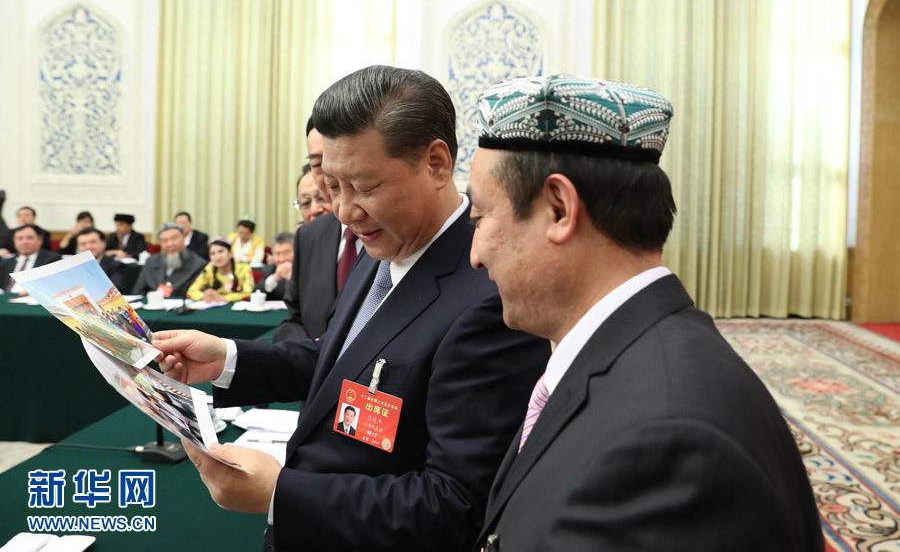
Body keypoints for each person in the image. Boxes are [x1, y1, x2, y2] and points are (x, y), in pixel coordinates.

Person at [152, 65, 549, 552]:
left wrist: (281, 494)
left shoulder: (489, 296)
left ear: (436, 163)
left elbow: (456, 504)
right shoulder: (382, 243)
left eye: (364, 186)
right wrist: (229, 359)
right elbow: (347, 362)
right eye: (332, 187)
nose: (343, 212)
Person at [466, 75, 824, 552]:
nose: (475, 255)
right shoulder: (627, 353)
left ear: (559, 209)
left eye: (480, 218)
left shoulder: (668, 443)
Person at [273, 119, 360, 342]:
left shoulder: (392, 231)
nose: (331, 174)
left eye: (337, 159)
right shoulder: (308, 236)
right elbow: (293, 321)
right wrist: (313, 351)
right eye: (318, 164)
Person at [134, 223, 206, 296]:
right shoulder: (151, 261)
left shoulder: (198, 264)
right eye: (165, 241)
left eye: (174, 239)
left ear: (184, 238)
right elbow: (138, 291)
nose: (170, 244)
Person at [187, 238, 253, 303]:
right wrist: (204, 296)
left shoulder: (243, 268)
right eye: (213, 254)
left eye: (221, 251)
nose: (217, 257)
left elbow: (249, 293)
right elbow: (191, 291)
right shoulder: (209, 269)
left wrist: (224, 298)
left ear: (230, 253)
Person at [0, 225, 62, 293]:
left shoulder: (52, 260)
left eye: (30, 238)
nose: (25, 242)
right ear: (14, 241)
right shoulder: (7, 261)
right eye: (20, 238)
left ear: (40, 239)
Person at [76, 227, 127, 293]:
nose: (88, 247)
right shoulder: (74, 267)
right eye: (83, 244)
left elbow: (117, 288)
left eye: (93, 242)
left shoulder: (116, 266)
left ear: (103, 243)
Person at [255, 232, 294, 301]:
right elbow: (255, 294)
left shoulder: (308, 269)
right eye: (278, 254)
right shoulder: (270, 270)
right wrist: (273, 279)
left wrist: (292, 278)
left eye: (286, 253)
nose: (282, 259)